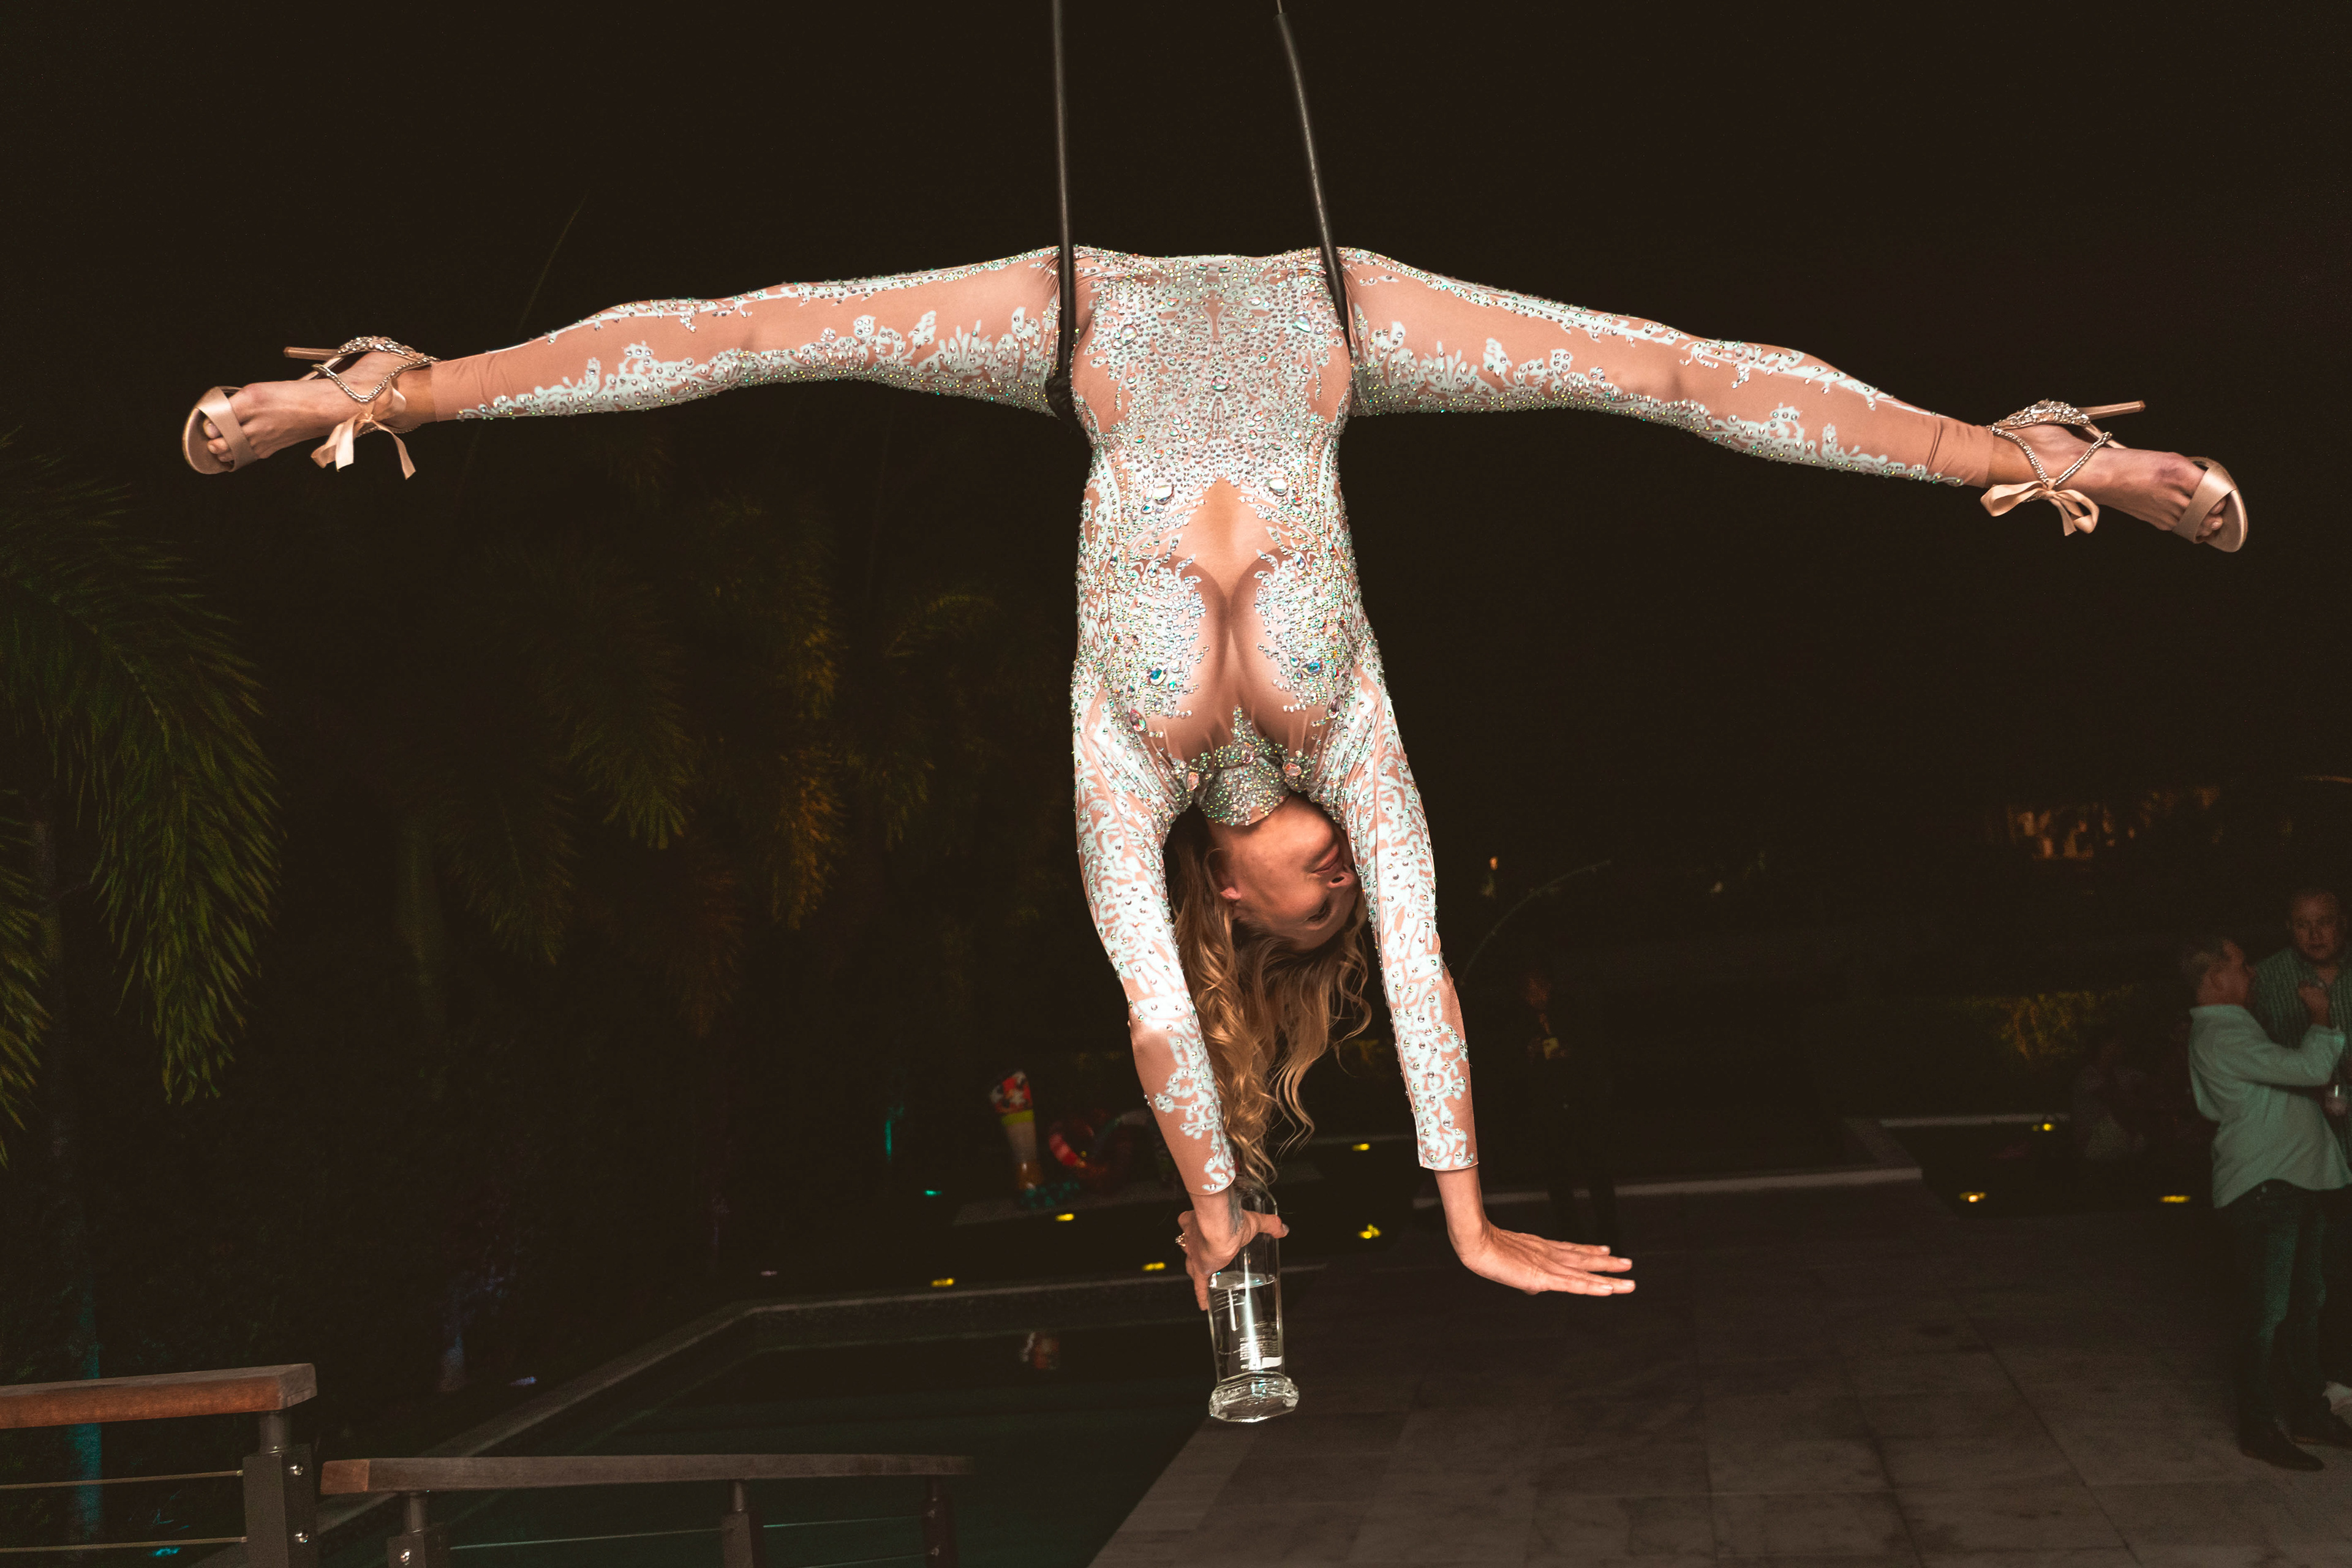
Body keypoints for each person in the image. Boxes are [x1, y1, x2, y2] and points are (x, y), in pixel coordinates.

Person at [181, 119, 2251, 1314]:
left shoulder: (1125, 769)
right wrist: (1463, 1210)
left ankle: (376, 392)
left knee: (756, 335)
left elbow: (1161, 1023)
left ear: (1236, 906)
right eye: (1345, 885)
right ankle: (385, 385)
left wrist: (1220, 1193)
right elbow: (1423, 959)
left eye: (1304, 909)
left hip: (1085, 327)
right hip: (1327, 319)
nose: (1337, 880)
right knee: (1673, 369)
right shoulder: (1362, 760)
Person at [2180, 933, 2352, 1469]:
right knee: (2268, 1312)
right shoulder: (2219, 1032)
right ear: (2215, 977)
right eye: (2241, 964)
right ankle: (2258, 1427)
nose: (2252, 972)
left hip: (2292, 1182)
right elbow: (2307, 1068)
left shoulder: (2237, 1028)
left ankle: (2309, 1414)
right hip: (2265, 1188)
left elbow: (2269, 1089)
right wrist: (2321, 1018)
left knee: (2303, 1306)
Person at [2249, 888, 2352, 1395]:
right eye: (2302, 924)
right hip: (2304, 1142)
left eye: (2324, 921)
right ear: (2288, 927)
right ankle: (2325, 1380)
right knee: (2318, 1271)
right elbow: (2256, 1058)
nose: (2314, 934)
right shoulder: (2268, 977)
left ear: (2342, 922)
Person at [1513, 965, 1621, 1250]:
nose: (1536, 995)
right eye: (1529, 990)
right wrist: (1531, 1053)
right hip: (1547, 1109)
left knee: (1596, 1168)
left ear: (1549, 987)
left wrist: (1570, 1053)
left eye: (1539, 987)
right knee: (1557, 1175)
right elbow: (1512, 1068)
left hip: (1580, 1103)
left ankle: (1609, 1231)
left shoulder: (1572, 1012)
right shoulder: (1519, 1022)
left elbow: (1595, 1050)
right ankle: (1570, 1234)